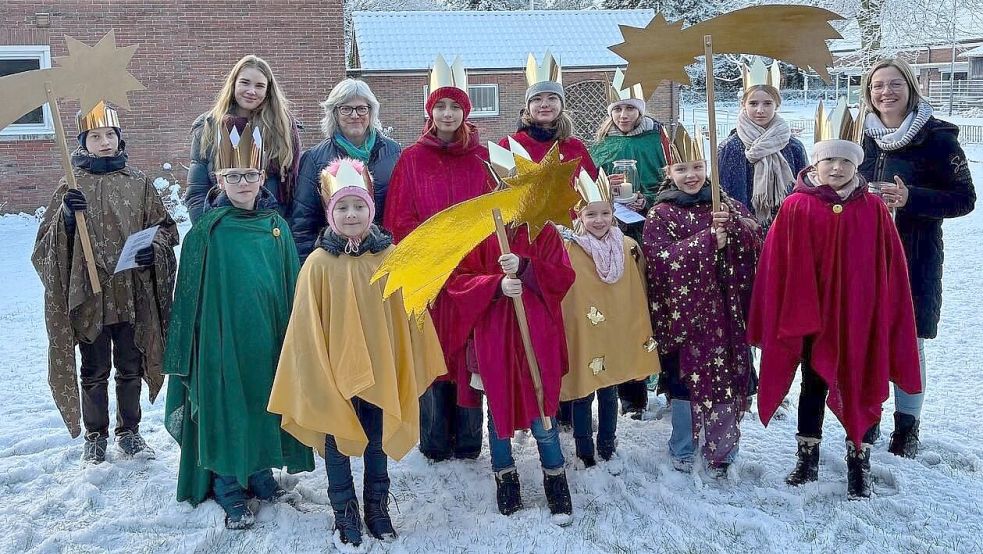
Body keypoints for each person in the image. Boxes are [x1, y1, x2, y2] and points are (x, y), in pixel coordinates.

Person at [269, 159, 446, 550]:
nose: (351, 215)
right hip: (336, 372)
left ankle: (377, 508)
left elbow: (408, 313)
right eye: (343, 207)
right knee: (338, 440)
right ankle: (344, 511)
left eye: (359, 206)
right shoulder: (318, 265)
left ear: (371, 209)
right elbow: (306, 327)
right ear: (330, 212)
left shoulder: (391, 258)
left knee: (377, 438)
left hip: (381, 368)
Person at [749, 137, 922, 499]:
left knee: (860, 384)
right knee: (812, 386)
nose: (837, 168)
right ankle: (807, 458)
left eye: (845, 162)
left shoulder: (873, 208)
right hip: (811, 320)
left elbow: (890, 265)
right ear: (815, 165)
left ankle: (859, 463)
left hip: (859, 318)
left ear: (856, 166)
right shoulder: (796, 206)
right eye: (829, 161)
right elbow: (777, 263)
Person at [163, 124, 314, 529]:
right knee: (228, 406)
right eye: (233, 175)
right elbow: (189, 295)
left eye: (250, 174)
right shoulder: (206, 232)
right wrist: (195, 346)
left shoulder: (276, 227)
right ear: (219, 178)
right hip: (220, 340)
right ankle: (228, 486)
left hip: (267, 338)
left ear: (262, 176)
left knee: (264, 400)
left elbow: (290, 285)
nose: (243, 183)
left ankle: (260, 473)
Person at [33, 101, 178, 464]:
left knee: (130, 367)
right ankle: (95, 435)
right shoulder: (71, 185)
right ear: (83, 142)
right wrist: (67, 218)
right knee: (94, 370)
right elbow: (44, 246)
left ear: (119, 137)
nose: (105, 142)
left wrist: (153, 251)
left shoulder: (139, 183)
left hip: (130, 292)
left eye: (110, 134)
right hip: (90, 296)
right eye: (95, 136)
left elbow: (165, 229)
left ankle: (129, 431)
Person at [858, 58, 976, 456]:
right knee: (868, 337)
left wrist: (912, 197)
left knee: (909, 340)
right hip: (865, 256)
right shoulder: (861, 136)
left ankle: (907, 427)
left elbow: (964, 198)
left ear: (911, 87)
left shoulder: (937, 138)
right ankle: (869, 416)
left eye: (895, 84)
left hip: (916, 254)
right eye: (878, 86)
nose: (885, 92)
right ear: (868, 93)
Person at [383, 57, 492, 463]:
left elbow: (492, 216)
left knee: (467, 354)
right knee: (432, 353)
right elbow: (399, 217)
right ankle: (433, 439)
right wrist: (430, 252)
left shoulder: (483, 158)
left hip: (471, 274)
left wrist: (471, 254)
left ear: (466, 111)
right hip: (429, 275)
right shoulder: (411, 159)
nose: (448, 114)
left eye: (455, 106)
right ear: (430, 111)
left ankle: (468, 439)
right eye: (441, 106)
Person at [642, 126, 762, 477]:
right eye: (682, 169)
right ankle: (683, 447)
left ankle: (723, 450)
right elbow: (660, 259)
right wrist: (708, 241)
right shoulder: (661, 213)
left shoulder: (726, 204)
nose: (691, 175)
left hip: (724, 312)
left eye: (697, 167)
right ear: (669, 172)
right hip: (684, 315)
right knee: (685, 381)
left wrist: (735, 228)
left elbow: (756, 240)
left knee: (724, 378)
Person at [445, 220, 576, 525]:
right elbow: (459, 282)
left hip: (537, 341)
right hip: (496, 343)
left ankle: (555, 477)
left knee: (543, 414)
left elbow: (563, 276)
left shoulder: (543, 231)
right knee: (498, 414)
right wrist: (495, 285)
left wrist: (527, 267)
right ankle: (505, 477)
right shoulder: (478, 234)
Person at [559, 170, 660, 473]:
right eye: (591, 214)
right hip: (585, 332)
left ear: (613, 213)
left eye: (605, 213)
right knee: (583, 391)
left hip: (614, 330)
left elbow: (638, 285)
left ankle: (607, 442)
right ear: (579, 216)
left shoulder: (627, 247)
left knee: (609, 389)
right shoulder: (571, 248)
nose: (599, 220)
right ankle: (584, 448)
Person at [588, 71, 668, 416]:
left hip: (649, 233)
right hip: (609, 234)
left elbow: (673, 182)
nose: (623, 115)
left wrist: (646, 200)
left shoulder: (657, 141)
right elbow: (586, 189)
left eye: (630, 108)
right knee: (617, 308)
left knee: (647, 306)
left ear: (640, 110)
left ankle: (653, 382)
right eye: (618, 109)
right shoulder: (600, 147)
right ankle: (625, 391)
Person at [290, 79, 402, 262]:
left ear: (371, 111)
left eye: (361, 108)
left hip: (382, 257)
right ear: (334, 113)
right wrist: (311, 267)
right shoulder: (315, 159)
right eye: (346, 109)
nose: (355, 115)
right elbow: (303, 224)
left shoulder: (393, 152)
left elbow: (400, 211)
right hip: (335, 260)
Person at [184, 55, 301, 222]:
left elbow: (296, 194)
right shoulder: (208, 127)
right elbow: (197, 193)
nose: (251, 91)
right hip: (223, 226)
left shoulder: (283, 129)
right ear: (233, 84)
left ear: (268, 91)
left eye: (259, 86)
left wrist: (282, 231)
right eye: (245, 83)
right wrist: (209, 230)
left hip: (271, 226)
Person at [718, 61, 808, 230]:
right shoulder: (730, 148)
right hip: (745, 228)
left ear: (777, 105)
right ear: (743, 105)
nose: (760, 110)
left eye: (767, 103)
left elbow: (805, 191)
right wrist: (739, 220)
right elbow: (722, 193)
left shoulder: (793, 147)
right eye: (753, 103)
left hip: (786, 227)